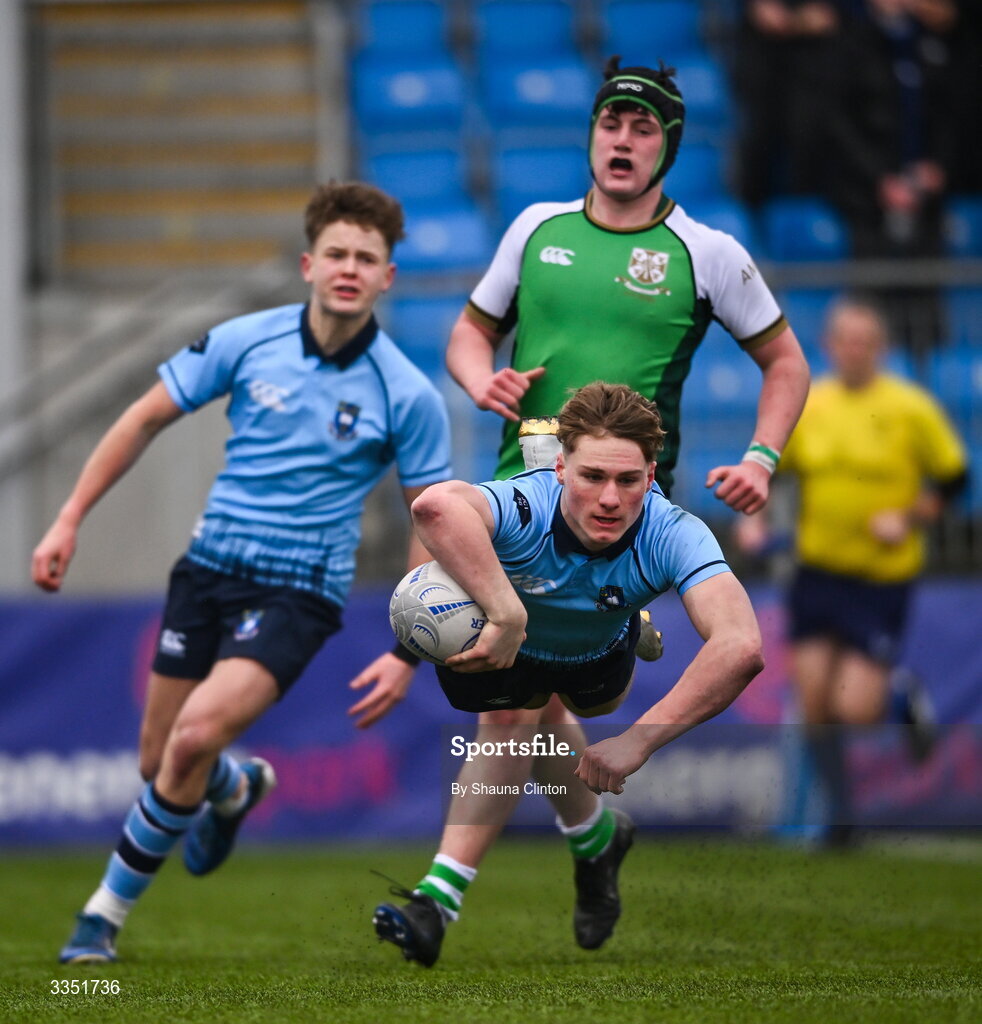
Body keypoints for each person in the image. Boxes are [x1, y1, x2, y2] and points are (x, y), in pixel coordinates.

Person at [375, 56, 810, 968]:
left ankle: (446, 899)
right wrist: (476, 376)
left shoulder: (709, 253)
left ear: (669, 147)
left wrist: (764, 459)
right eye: (611, 121)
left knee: (521, 708)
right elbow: (468, 333)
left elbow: (786, 364)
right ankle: (591, 840)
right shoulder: (535, 230)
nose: (623, 138)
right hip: (523, 495)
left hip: (623, 512)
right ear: (591, 135)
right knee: (524, 705)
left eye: (644, 128)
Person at [32, 182, 452, 964]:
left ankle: (100, 920)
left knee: (192, 734)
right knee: (162, 763)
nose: (350, 269)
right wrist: (68, 518)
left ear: (388, 276)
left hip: (300, 591)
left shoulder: (407, 393)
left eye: (368, 258)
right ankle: (235, 788)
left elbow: (431, 520)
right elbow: (143, 417)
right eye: (337, 254)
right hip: (207, 570)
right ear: (308, 264)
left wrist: (407, 645)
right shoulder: (247, 340)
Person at [374, 382, 764, 966]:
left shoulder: (672, 529)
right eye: (592, 477)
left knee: (567, 710)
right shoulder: (525, 502)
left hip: (598, 663)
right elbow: (433, 508)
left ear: (652, 475)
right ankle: (438, 902)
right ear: (559, 468)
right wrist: (505, 612)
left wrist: (640, 740)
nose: (609, 498)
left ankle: (596, 832)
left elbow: (741, 646)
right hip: (515, 643)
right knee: (513, 717)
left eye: (628, 481)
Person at [735, 296, 968, 844]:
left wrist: (911, 516)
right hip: (818, 572)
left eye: (867, 342)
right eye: (847, 340)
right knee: (815, 705)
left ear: (881, 349)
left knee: (855, 708)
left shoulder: (911, 408)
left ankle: (900, 700)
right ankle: (842, 819)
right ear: (830, 346)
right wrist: (755, 521)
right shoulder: (813, 406)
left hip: (880, 578)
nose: (856, 351)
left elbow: (955, 483)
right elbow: (769, 471)